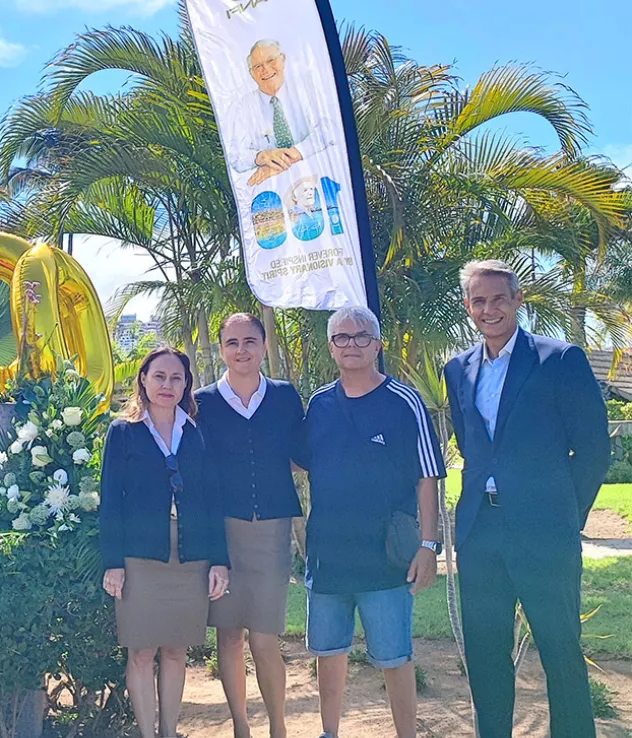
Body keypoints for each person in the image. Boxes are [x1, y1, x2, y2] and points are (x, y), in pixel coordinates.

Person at [444, 260, 608, 738]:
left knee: (560, 648)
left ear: (517, 300)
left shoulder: (558, 359)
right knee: (486, 653)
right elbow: (474, 447)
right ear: (468, 307)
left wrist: (565, 514)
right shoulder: (457, 369)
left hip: (545, 532)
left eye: (498, 298)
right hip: (481, 533)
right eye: (478, 301)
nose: (488, 309)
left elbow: (594, 447)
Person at [296, 306, 443, 738]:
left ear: (378, 344)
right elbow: (296, 462)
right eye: (342, 338)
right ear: (331, 347)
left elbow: (427, 477)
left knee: (395, 657)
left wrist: (429, 547)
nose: (353, 345)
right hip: (328, 556)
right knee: (328, 652)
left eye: (362, 337)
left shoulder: (404, 401)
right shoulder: (319, 404)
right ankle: (329, 731)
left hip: (387, 557)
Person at [100, 346, 229, 738]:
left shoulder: (195, 433)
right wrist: (113, 562)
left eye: (176, 378)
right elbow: (110, 499)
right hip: (140, 555)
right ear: (143, 379)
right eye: (159, 376)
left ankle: (169, 732)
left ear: (186, 383)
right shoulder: (123, 432)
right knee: (141, 650)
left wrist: (219, 561)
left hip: (189, 554)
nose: (167, 385)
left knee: (176, 649)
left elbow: (211, 499)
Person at [195, 314, 304, 738]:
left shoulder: (284, 396)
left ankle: (279, 727)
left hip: (272, 530)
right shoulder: (202, 402)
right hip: (222, 532)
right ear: (221, 349)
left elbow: (302, 453)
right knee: (229, 637)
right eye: (232, 342)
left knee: (264, 639)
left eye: (250, 341)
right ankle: (241, 726)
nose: (241, 350)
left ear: (262, 345)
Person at [229, 39, 334, 186]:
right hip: (275, 190)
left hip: (321, 178)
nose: (265, 69)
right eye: (258, 66)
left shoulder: (307, 88)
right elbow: (236, 156)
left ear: (283, 60)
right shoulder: (245, 106)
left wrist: (289, 157)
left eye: (271, 60)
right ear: (252, 74)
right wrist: (261, 157)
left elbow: (329, 129)